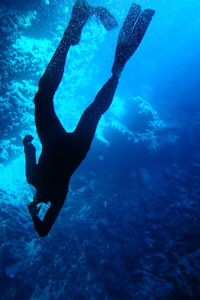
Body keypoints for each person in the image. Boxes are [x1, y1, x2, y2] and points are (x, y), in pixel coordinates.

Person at [23, 0, 155, 237]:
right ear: (35, 199)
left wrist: (36, 214)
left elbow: (43, 231)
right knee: (44, 95)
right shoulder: (33, 179)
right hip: (55, 144)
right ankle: (69, 41)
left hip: (73, 150)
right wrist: (27, 144)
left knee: (93, 111)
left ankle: (116, 73)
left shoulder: (56, 198)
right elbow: (29, 147)